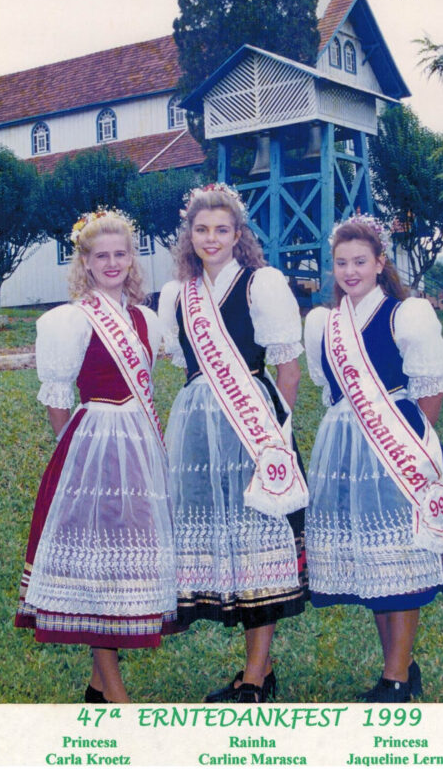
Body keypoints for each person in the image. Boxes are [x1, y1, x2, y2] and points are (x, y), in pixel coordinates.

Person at [304, 215, 443, 702]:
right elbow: (330, 392)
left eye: (360, 261)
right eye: (341, 263)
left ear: (380, 263)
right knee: (377, 563)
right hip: (346, 449)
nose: (350, 271)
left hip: (399, 447)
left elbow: (429, 389)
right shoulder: (323, 323)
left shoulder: (406, 313)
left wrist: (418, 448)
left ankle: (394, 677)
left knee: (403, 560)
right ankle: (401, 669)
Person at [15, 208, 177, 703]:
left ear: (133, 259)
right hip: (92, 448)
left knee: (117, 570)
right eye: (100, 255)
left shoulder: (146, 319)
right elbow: (58, 399)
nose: (112, 263)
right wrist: (76, 454)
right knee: (94, 570)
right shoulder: (69, 319)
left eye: (120, 254)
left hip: (140, 448)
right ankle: (116, 694)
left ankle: (97, 686)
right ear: (84, 262)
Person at [158, 183, 309, 703]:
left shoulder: (261, 283)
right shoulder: (178, 294)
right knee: (224, 544)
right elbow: (180, 363)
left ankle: (255, 675)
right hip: (199, 428)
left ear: (238, 234)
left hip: (253, 427)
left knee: (256, 547)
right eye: (202, 230)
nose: (211, 238)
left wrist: (277, 436)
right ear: (190, 236)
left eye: (222, 229)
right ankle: (254, 672)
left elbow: (288, 368)